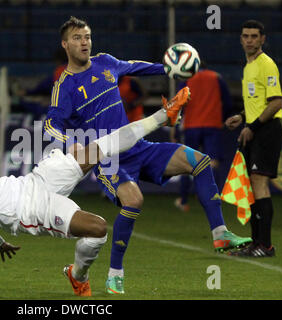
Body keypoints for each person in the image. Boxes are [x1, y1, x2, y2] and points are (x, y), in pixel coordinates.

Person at [44, 16, 252, 295]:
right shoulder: (64, 86)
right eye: (77, 38)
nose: (84, 42)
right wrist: (68, 142)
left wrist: (168, 68)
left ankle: (219, 234)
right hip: (109, 159)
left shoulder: (105, 62)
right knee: (135, 200)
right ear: (65, 44)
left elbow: (135, 67)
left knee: (198, 161)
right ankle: (114, 273)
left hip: (139, 148)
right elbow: (52, 123)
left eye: (87, 37)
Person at [0, 91, 188, 297]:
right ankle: (77, 274)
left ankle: (164, 116)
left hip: (35, 181)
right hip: (30, 210)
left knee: (98, 147)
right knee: (99, 229)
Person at [225, 20, 282, 258]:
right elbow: (258, 102)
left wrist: (254, 126)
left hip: (267, 130)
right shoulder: (248, 66)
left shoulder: (266, 64)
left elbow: (277, 102)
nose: (249, 40)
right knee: (250, 186)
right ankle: (256, 242)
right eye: (245, 36)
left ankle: (265, 245)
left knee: (259, 184)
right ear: (241, 39)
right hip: (254, 128)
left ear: (262, 39)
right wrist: (241, 117)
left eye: (254, 36)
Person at [170, 64, 233, 212]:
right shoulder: (217, 77)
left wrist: (175, 130)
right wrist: (221, 118)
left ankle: (183, 201)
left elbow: (178, 105)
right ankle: (211, 198)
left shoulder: (187, 79)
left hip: (192, 126)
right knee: (213, 163)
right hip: (213, 125)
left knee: (188, 164)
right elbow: (228, 103)